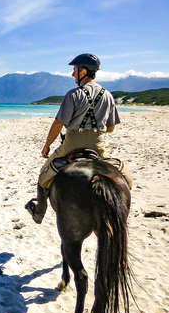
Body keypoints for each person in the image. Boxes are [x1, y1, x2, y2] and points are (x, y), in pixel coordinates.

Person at [25, 53, 132, 224]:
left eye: (75, 69)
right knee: (125, 177)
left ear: (84, 71)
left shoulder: (73, 94)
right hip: (98, 147)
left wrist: (46, 146)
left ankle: (38, 213)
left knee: (43, 176)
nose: (72, 74)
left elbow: (58, 124)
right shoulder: (108, 95)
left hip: (71, 144)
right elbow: (110, 128)